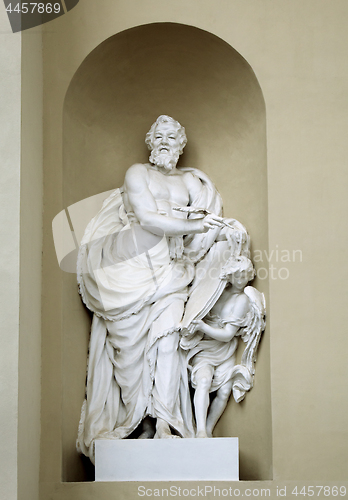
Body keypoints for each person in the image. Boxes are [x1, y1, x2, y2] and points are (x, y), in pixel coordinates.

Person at [76, 116, 224, 461]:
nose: (164, 141)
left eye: (171, 136)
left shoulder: (192, 181)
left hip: (173, 271)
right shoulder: (137, 173)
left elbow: (210, 228)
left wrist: (214, 233)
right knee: (130, 355)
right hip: (133, 269)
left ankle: (163, 422)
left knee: (169, 339)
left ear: (181, 144)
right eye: (158, 136)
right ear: (149, 141)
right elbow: (148, 219)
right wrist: (197, 223)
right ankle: (135, 421)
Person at [184, 256, 265, 438]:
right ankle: (201, 430)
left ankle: (209, 429)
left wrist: (203, 326)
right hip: (205, 347)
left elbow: (228, 334)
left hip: (225, 347)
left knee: (225, 391)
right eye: (237, 276)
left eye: (244, 276)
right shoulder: (217, 290)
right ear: (229, 275)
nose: (241, 280)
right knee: (203, 381)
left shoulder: (243, 299)